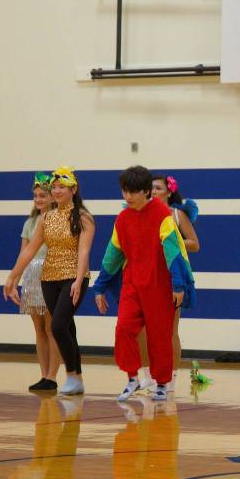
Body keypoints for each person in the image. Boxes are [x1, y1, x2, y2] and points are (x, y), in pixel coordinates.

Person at [91, 165, 195, 402]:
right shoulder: (123, 218)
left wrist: (178, 285)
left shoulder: (162, 215)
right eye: (124, 191)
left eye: (133, 192)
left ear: (147, 191)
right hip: (132, 284)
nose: (127, 197)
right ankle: (132, 378)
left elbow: (174, 252)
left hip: (159, 286)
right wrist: (99, 286)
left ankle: (161, 383)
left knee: (160, 336)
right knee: (124, 329)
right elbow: (112, 254)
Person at [4, 166, 96, 396]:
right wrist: (12, 276)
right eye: (54, 187)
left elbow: (84, 252)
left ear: (73, 189)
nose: (56, 191)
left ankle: (72, 376)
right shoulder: (46, 218)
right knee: (68, 328)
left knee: (56, 326)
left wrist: (77, 279)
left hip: (74, 278)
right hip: (49, 278)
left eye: (61, 187)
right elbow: (29, 251)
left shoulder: (84, 218)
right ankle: (78, 379)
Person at [134, 173, 200, 389]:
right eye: (151, 188)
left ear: (169, 192)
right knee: (143, 328)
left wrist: (170, 239)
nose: (153, 192)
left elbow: (194, 244)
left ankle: (171, 378)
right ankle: (147, 377)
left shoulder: (177, 215)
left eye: (158, 188)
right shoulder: (141, 214)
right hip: (148, 275)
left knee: (170, 330)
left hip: (173, 276)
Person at [18, 173, 61, 391]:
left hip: (52, 272)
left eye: (42, 195)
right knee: (39, 329)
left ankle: (53, 376)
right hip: (32, 276)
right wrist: (15, 277)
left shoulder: (57, 220)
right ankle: (43, 374)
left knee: (52, 327)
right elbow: (23, 252)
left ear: (52, 197)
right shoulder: (29, 222)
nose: (38, 199)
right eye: (35, 196)